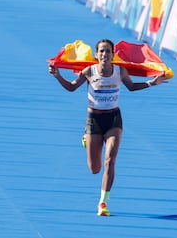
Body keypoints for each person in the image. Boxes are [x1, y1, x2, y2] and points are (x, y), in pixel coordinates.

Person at [48, 39, 167, 216]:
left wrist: (152, 83)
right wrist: (57, 75)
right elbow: (72, 88)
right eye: (102, 51)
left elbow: (132, 87)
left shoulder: (120, 71)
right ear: (97, 55)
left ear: (113, 55)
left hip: (113, 119)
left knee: (110, 160)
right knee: (95, 169)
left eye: (108, 51)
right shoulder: (89, 71)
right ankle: (87, 139)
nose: (105, 55)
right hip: (93, 120)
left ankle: (102, 202)